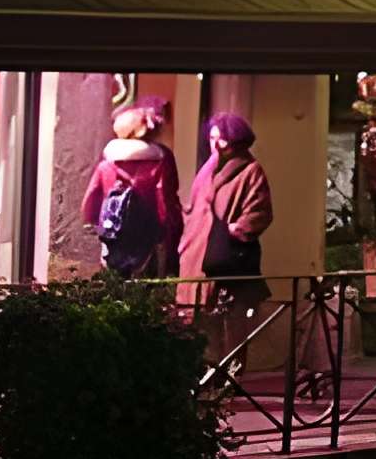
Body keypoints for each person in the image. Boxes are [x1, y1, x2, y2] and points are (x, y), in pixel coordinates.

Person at [180, 112, 273, 307]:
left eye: (221, 138)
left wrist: (233, 230)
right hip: (196, 249)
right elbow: (198, 204)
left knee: (223, 311)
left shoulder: (250, 170)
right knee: (192, 305)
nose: (216, 144)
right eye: (212, 138)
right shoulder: (208, 168)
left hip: (224, 253)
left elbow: (260, 212)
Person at [81, 104, 181, 275]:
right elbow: (164, 201)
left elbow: (90, 201)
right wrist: (169, 230)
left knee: (115, 287)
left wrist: (94, 224)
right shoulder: (159, 161)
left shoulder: (107, 164)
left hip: (114, 236)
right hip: (147, 236)